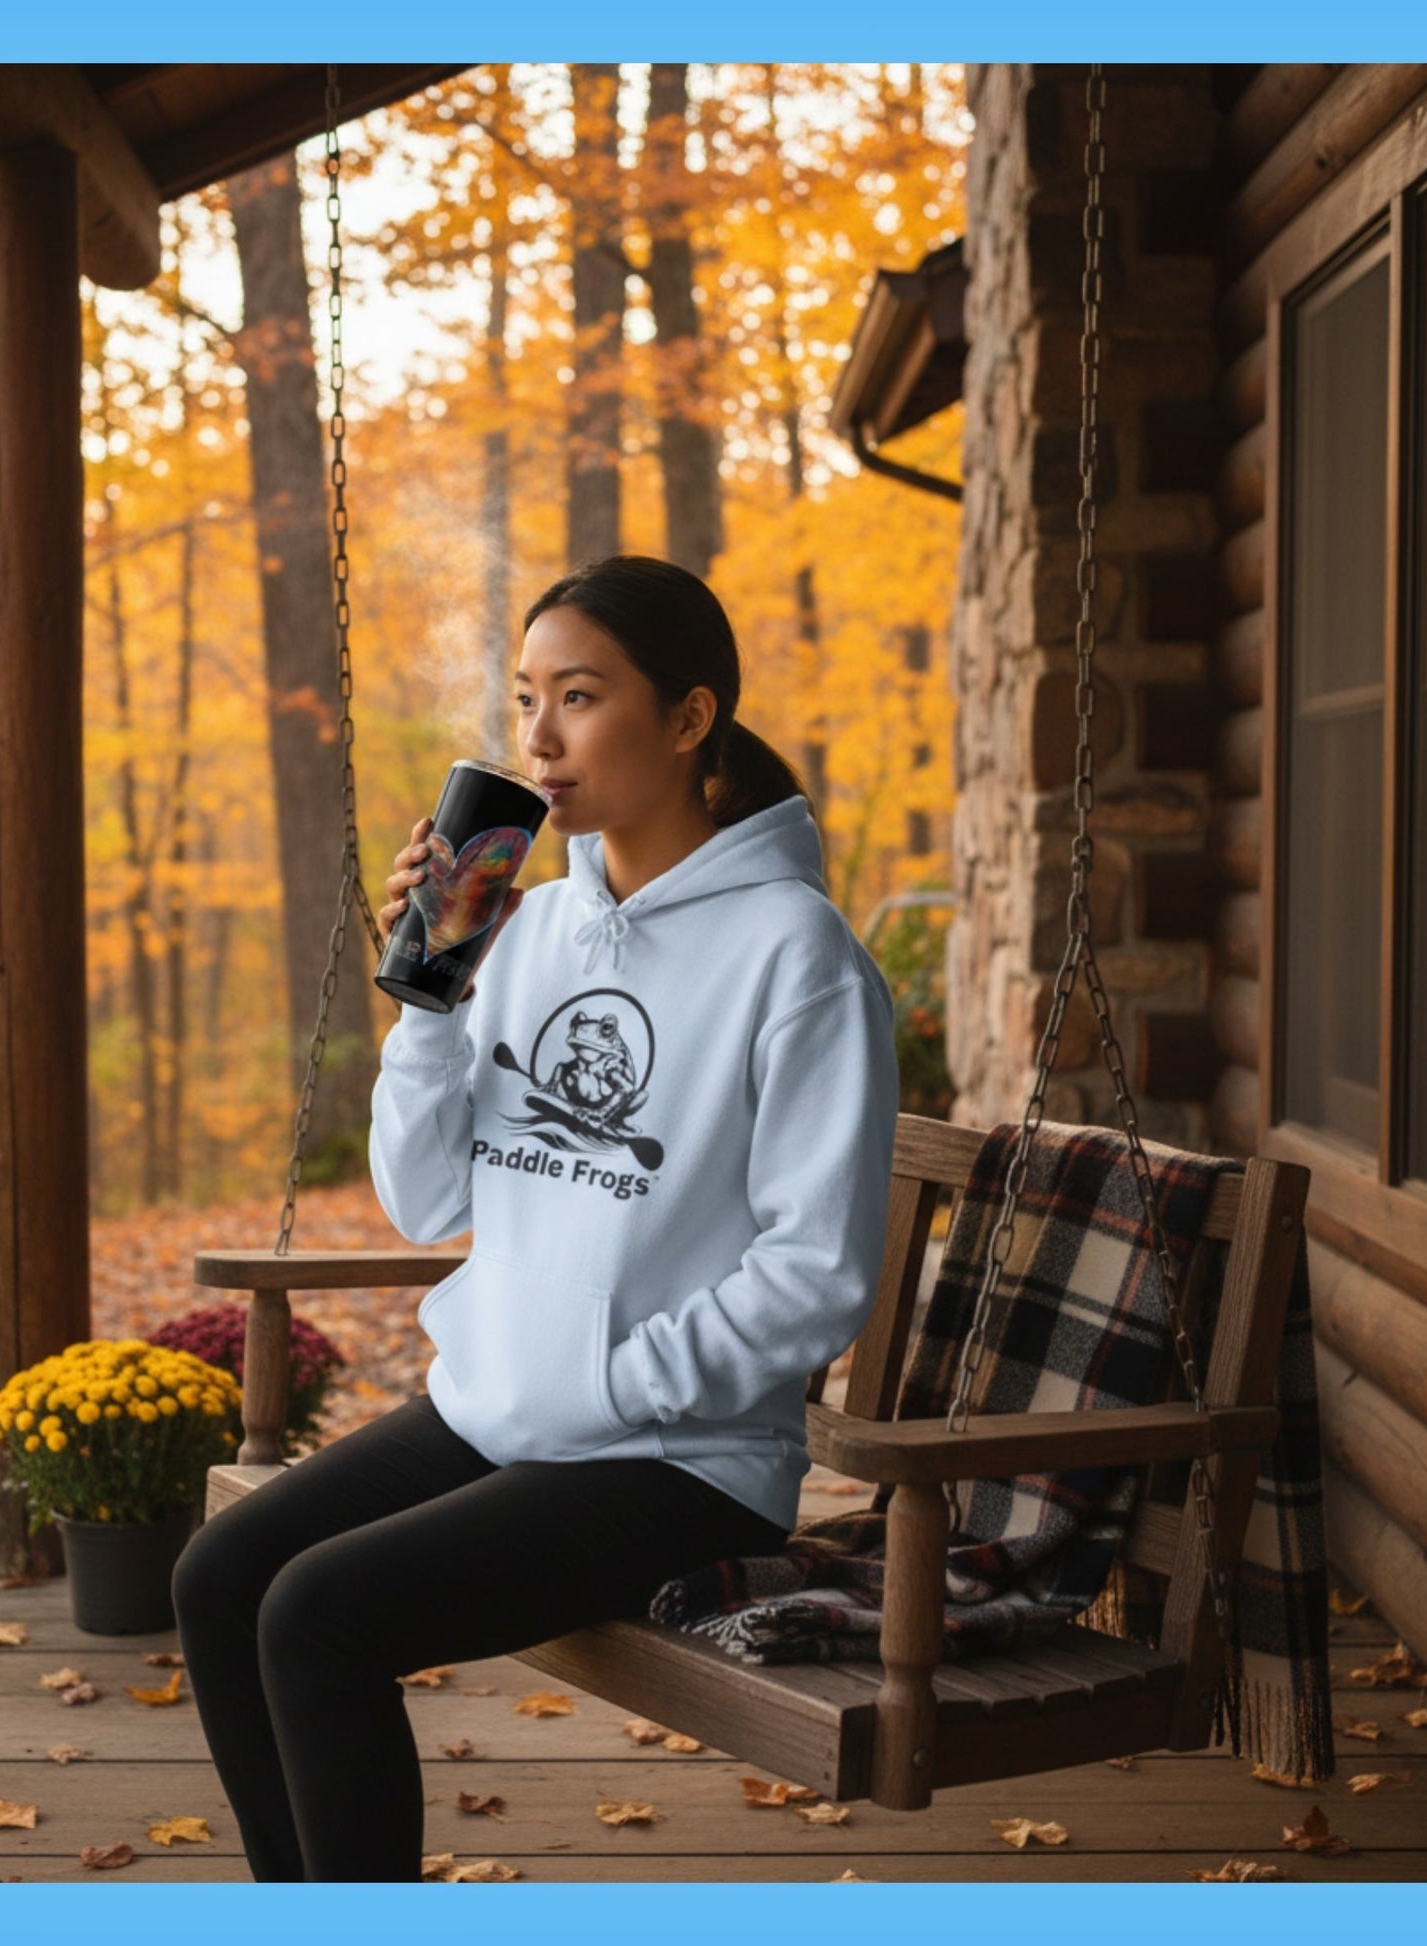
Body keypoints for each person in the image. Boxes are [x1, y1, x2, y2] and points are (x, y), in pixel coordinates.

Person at [172, 554, 901, 1881]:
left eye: (580, 695)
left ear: (687, 719)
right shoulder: (529, 921)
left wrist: (613, 1379)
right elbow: (424, 1192)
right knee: (221, 1575)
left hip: (677, 1456)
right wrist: (432, 1001)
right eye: (526, 701)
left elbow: (814, 1274)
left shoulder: (800, 958)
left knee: (318, 1613)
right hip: (501, 1411)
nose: (541, 739)